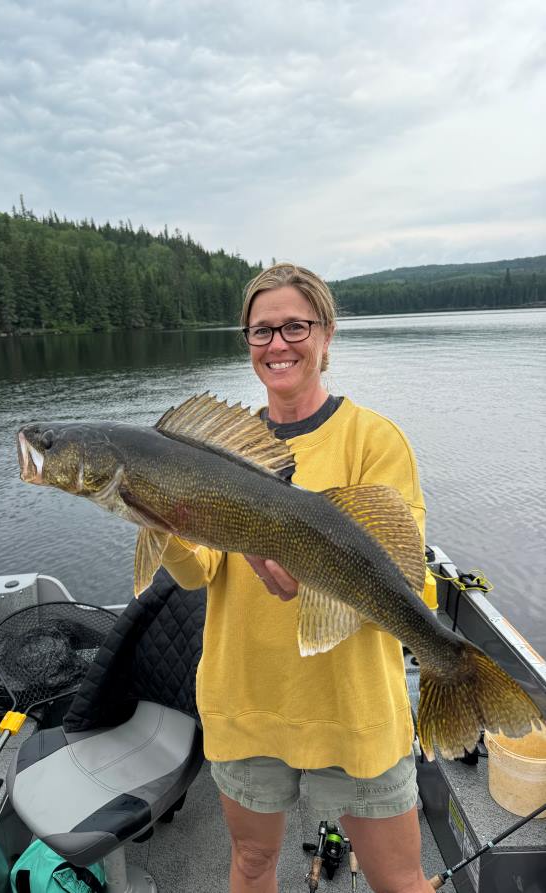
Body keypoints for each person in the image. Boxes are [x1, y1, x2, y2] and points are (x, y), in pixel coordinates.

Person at [161, 263, 431, 893]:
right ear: (247, 342)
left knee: (399, 881)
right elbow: (198, 572)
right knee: (253, 864)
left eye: (294, 327)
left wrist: (316, 582)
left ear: (327, 334)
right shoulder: (217, 449)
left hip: (352, 705)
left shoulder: (374, 439)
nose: (277, 344)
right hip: (247, 700)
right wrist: (154, 516)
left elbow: (405, 579)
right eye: (261, 331)